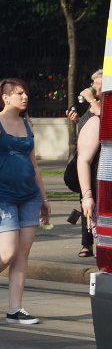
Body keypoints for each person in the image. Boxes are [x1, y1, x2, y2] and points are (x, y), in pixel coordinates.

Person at [0, 78, 50, 325]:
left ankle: (15, 309)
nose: (25, 97)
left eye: (25, 93)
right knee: (7, 253)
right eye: (19, 93)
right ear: (5, 97)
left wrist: (44, 198)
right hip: (0, 197)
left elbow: (34, 165)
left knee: (22, 253)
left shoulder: (27, 123)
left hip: (29, 197)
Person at [78, 110, 101, 258]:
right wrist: (87, 196)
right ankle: (88, 244)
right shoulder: (96, 121)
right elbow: (83, 160)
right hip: (100, 188)